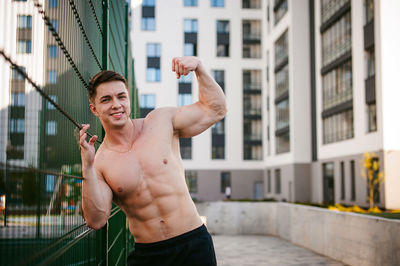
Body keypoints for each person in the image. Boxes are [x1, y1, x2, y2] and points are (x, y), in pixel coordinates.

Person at [78, 56, 226, 266]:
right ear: (94, 109)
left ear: (128, 99)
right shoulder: (100, 161)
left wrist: (199, 68)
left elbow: (216, 109)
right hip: (148, 255)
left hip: (193, 244)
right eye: (106, 99)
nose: (116, 105)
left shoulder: (161, 122)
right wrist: (88, 165)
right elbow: (96, 219)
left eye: (121, 96)